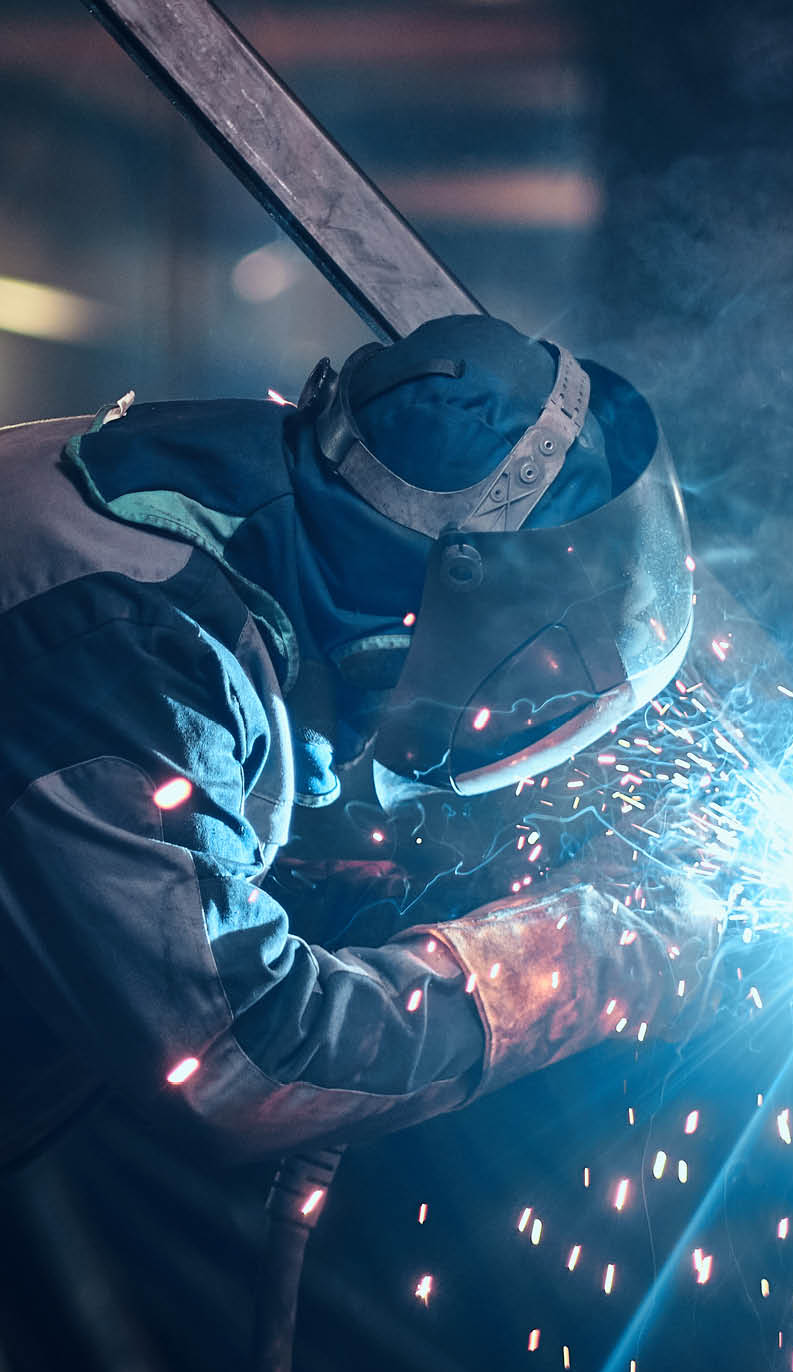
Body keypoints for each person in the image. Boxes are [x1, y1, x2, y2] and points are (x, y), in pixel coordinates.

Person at [0, 314, 722, 1169]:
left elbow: (155, 830)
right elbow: (242, 1058)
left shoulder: (233, 485)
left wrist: (377, 887)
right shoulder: (132, 650)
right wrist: (585, 957)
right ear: (451, 590)